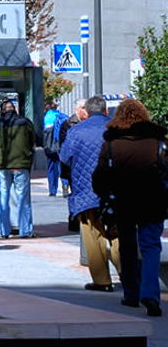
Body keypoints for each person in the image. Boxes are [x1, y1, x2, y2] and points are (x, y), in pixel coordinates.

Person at [92, 98, 167, 317]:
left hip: (123, 202)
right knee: (151, 246)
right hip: (153, 201)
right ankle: (151, 295)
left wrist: (104, 195)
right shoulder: (158, 141)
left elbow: (100, 175)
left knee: (127, 246)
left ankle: (131, 293)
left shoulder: (113, 143)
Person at [60, 95, 120, 292]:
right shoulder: (116, 130)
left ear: (86, 111)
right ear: (105, 111)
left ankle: (102, 281)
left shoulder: (76, 131)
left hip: (86, 191)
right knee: (118, 233)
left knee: (93, 234)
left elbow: (65, 157)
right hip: (114, 191)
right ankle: (128, 275)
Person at [0, 100, 36, 239]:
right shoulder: (25, 122)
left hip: (3, 165)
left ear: (3, 110)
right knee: (23, 198)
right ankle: (25, 230)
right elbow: (32, 140)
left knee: (3, 197)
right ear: (15, 109)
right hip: (20, 164)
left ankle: (3, 231)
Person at [58, 98, 88, 199]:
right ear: (77, 109)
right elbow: (64, 147)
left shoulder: (90, 124)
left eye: (87, 108)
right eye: (83, 108)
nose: (86, 110)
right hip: (74, 166)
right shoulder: (68, 124)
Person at [42, 101, 67, 196]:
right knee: (62, 167)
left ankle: (53, 190)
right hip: (61, 146)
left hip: (50, 147)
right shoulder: (63, 116)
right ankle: (65, 186)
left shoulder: (46, 118)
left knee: (51, 168)